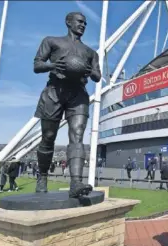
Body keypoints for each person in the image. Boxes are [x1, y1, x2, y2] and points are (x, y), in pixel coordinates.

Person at [33, 12, 101, 197]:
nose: (83, 25)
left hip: (78, 94)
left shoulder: (90, 52)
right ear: (68, 22)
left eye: (85, 23)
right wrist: (53, 66)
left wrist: (90, 71)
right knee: (48, 136)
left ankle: (76, 183)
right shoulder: (52, 41)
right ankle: (43, 175)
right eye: (79, 22)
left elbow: (97, 75)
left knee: (77, 136)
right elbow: (37, 65)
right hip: (55, 91)